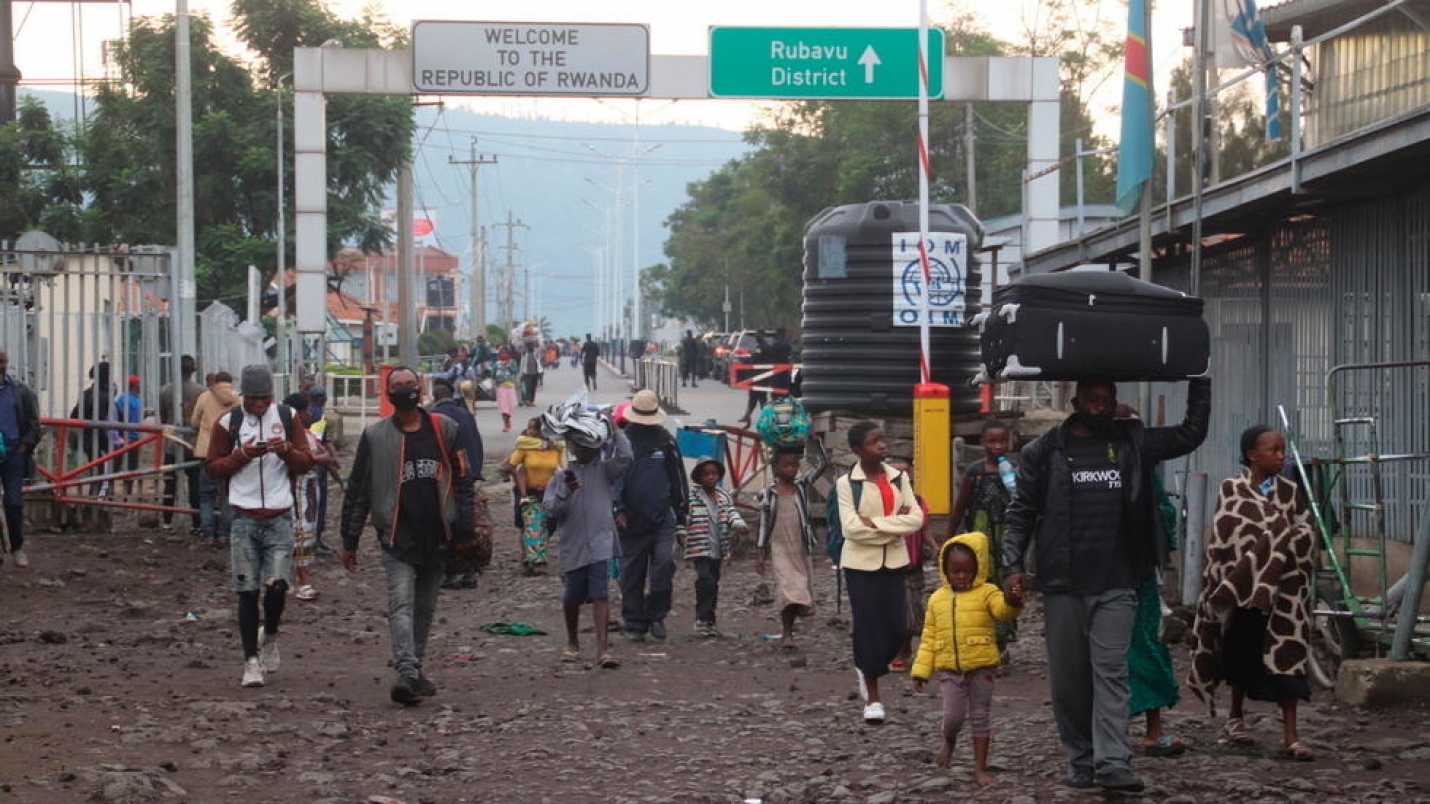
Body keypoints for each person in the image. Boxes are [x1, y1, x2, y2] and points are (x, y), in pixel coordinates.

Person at [1002, 376, 1211, 793]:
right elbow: (1021, 511)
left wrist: (1199, 379)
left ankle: (1113, 762)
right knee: (1069, 681)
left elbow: (1191, 433)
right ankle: (1080, 760)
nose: (1101, 407)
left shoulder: (1135, 441)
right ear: (1076, 402)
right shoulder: (1043, 451)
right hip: (1063, 584)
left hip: (1118, 582)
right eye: (1093, 400)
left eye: (1108, 400)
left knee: (1112, 673)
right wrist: (1011, 566)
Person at [340, 366, 476, 706]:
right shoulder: (375, 437)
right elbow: (358, 490)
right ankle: (405, 670)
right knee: (400, 605)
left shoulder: (445, 430)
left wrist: (464, 530)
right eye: (398, 386)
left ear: (421, 389)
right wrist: (349, 538)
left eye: (410, 385)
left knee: (424, 610)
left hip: (437, 537)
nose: (405, 391)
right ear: (388, 394)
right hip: (396, 537)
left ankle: (412, 670)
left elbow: (462, 481)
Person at [1188, 425, 1316, 761]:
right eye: (1273, 450)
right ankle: (1235, 717)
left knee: (1288, 658)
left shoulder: (1289, 492)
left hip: (1284, 592)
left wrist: (1281, 541)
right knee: (1240, 655)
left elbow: (1305, 531)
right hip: (1245, 592)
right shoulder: (1232, 489)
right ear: (1251, 455)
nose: (1280, 455)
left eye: (1282, 449)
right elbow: (1224, 535)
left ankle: (1291, 736)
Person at [204, 365, 315, 689]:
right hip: (243, 516)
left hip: (280, 515)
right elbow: (212, 468)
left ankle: (272, 633)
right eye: (254, 400)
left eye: (265, 399)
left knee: (278, 585)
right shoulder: (228, 423)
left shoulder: (287, 415)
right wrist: (241, 456)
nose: (260, 405)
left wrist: (286, 452)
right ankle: (250, 661)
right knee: (247, 591)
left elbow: (306, 461)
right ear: (245, 398)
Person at [911, 531, 1024, 786]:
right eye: (955, 571)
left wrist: (1013, 600)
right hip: (950, 669)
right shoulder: (937, 599)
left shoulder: (988, 592)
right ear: (945, 569)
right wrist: (921, 670)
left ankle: (979, 768)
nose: (961, 577)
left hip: (982, 666)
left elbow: (1003, 611)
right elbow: (929, 636)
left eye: (967, 571)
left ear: (978, 568)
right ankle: (949, 742)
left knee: (980, 716)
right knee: (952, 718)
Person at [837, 420, 925, 724]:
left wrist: (876, 524)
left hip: (894, 561)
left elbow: (916, 518)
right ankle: (873, 698)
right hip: (860, 565)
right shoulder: (847, 483)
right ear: (858, 450)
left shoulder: (899, 479)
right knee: (867, 626)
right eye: (875, 442)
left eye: (883, 440)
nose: (883, 446)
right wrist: (892, 525)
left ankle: (867, 665)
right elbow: (851, 528)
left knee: (898, 628)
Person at [1114, 404, 1187, 758]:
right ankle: (1112, 734)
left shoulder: (1145, 472)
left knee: (1143, 646)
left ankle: (1151, 729)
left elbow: (1164, 514)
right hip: (1108, 576)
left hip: (1138, 575)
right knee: (1117, 653)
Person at [543, 410, 633, 668]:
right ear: (573, 446)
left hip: (601, 542)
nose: (585, 451)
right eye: (580, 446)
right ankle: (572, 642)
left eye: (589, 446)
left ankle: (603, 650)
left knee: (600, 593)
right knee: (572, 596)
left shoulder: (605, 471)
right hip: (573, 545)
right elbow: (549, 509)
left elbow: (626, 457)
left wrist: (615, 429)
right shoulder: (561, 477)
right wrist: (566, 494)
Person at [613, 389, 688, 642]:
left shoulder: (665, 441)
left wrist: (681, 512)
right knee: (631, 573)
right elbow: (616, 479)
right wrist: (618, 509)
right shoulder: (621, 442)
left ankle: (657, 614)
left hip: (662, 517)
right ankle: (634, 622)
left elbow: (677, 478)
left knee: (664, 564)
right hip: (630, 519)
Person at [948, 420, 1018, 656]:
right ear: (982, 443)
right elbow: (959, 508)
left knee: (1005, 588)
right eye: (992, 441)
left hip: (1007, 540)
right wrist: (949, 541)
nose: (998, 446)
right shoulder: (975, 472)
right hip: (981, 541)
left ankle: (1002, 643)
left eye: (1002, 441)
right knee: (981, 587)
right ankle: (983, 640)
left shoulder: (1014, 470)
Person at [754, 447, 819, 651]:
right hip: (779, 546)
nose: (791, 469)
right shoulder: (769, 494)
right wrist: (761, 551)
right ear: (775, 468)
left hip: (800, 546)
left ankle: (796, 617)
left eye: (794, 465)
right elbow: (764, 522)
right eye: (786, 465)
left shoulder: (801, 486)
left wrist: (816, 441)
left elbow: (822, 465)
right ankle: (787, 633)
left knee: (800, 587)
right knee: (787, 590)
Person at [678, 457, 748, 638]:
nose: (710, 477)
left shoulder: (723, 496)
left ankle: (709, 620)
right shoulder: (692, 498)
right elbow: (683, 518)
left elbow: (732, 513)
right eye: (706, 474)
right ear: (699, 478)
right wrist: (681, 534)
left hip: (719, 548)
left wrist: (739, 525)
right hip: (699, 547)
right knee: (705, 579)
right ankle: (701, 618)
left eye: (713, 473)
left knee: (713, 583)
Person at [431, 378, 487, 589]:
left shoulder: (434, 417)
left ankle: (451, 571)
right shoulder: (466, 415)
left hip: (448, 479)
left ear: (435, 397)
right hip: (469, 476)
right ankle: (469, 571)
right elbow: (477, 444)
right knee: (468, 523)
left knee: (446, 524)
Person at [888, 457, 938, 672]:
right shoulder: (885, 501)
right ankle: (900, 650)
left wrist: (935, 548)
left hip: (914, 564)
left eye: (906, 473)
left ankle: (906, 648)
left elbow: (924, 529)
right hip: (891, 565)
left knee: (913, 608)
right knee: (898, 608)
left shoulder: (917, 501)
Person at [283, 391, 330, 601]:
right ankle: (303, 582)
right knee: (300, 532)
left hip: (309, 491)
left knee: (306, 531)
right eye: (306, 410)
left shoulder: (306, 434)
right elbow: (315, 457)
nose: (310, 413)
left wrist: (313, 458)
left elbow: (323, 453)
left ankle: (295, 580)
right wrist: (315, 458)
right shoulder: (290, 436)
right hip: (298, 490)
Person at [507, 416, 564, 576]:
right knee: (532, 526)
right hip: (529, 493)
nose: (530, 432)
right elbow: (512, 465)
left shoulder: (556, 448)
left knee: (547, 527)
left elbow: (561, 469)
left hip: (549, 494)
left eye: (534, 429)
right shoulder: (524, 447)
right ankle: (535, 562)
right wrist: (521, 484)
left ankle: (532, 557)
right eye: (529, 428)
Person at [0, 349, 41, 568]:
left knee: (13, 502)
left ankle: (17, 548)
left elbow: (35, 423)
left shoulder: (20, 391)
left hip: (14, 455)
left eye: (4, 361)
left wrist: (24, 446)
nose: (2, 365)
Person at [191, 371, 240, 543]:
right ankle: (225, 533)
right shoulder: (238, 400)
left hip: (206, 452)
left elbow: (194, 422)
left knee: (206, 495)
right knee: (228, 495)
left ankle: (208, 533)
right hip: (229, 453)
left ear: (215, 382)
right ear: (230, 382)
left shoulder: (204, 397)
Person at [160, 355, 206, 535]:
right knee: (195, 485)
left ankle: (166, 521)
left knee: (169, 483)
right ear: (193, 370)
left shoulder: (166, 390)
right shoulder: (201, 392)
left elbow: (163, 417)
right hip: (194, 444)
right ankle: (196, 523)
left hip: (172, 443)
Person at [70, 362, 122, 498]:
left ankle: (95, 498)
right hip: (101, 441)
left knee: (96, 472)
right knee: (103, 473)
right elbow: (104, 423)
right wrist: (115, 441)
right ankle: (99, 500)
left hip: (88, 439)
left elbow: (74, 415)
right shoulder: (104, 397)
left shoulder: (87, 394)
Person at [303, 385, 337, 557]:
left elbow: (325, 439)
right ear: (322, 399)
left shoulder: (306, 411)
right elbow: (318, 442)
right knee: (317, 503)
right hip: (317, 465)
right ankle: (315, 540)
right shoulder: (317, 414)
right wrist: (330, 460)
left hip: (307, 462)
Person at [114, 375, 144, 488]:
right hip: (126, 437)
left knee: (132, 468)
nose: (141, 387)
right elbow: (118, 415)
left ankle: (127, 492)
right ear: (135, 385)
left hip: (135, 437)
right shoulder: (123, 398)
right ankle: (108, 491)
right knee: (116, 467)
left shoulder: (136, 399)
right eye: (139, 384)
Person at [492, 347, 519, 432]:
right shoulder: (496, 364)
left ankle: (508, 420)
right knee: (504, 407)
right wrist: (493, 385)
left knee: (510, 406)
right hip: (500, 387)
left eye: (505, 353)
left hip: (510, 387)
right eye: (502, 353)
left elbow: (515, 371)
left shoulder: (513, 362)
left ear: (508, 354)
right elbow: (493, 375)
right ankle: (506, 424)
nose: (503, 355)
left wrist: (508, 366)